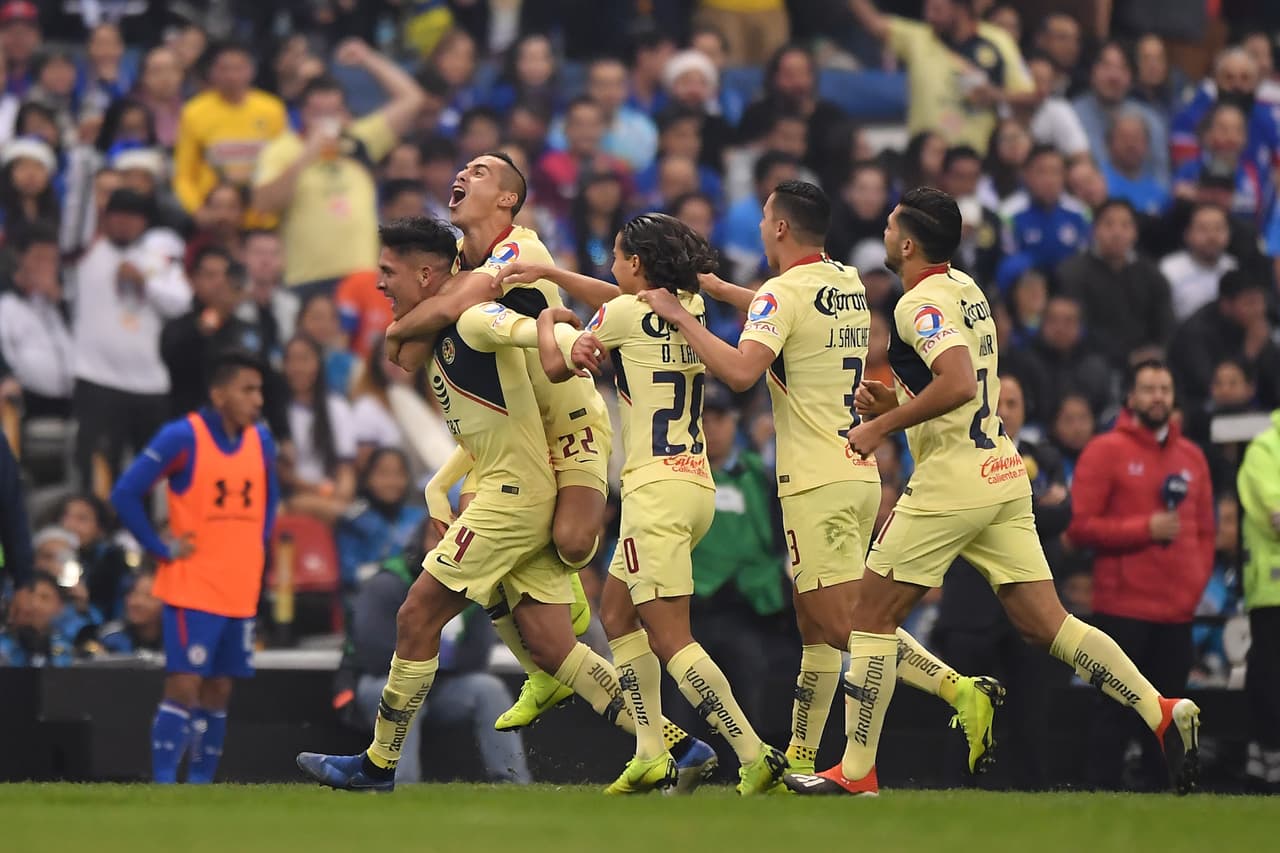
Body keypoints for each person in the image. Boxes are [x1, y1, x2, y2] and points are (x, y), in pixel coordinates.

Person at [784, 187, 1201, 796]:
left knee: (868, 618)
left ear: (906, 242)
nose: (883, 233)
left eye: (891, 226)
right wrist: (898, 400)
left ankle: (856, 771)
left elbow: (954, 383)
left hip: (950, 483)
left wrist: (880, 425)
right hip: (1002, 474)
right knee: (1048, 624)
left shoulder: (915, 304)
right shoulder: (969, 291)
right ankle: (1160, 709)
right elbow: (967, 388)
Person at [297, 216, 709, 794]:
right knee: (549, 645)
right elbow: (420, 373)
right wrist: (436, 488)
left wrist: (572, 340)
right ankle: (678, 744)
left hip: (510, 500)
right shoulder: (441, 324)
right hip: (515, 493)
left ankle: (377, 765)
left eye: (388, 273)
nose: (381, 285)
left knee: (417, 615)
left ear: (425, 272)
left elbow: (514, 326)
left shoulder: (473, 316)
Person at [640, 179, 1003, 778]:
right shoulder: (846, 283)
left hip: (816, 479)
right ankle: (803, 759)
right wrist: (722, 290)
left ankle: (960, 691)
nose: (760, 228)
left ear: (780, 228)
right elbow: (786, 314)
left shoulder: (784, 295)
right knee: (815, 628)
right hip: (855, 470)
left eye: (764, 218)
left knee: (844, 625)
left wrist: (680, 315)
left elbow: (738, 371)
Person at [531, 212, 789, 794]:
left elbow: (555, 362)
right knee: (618, 615)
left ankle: (752, 752)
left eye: (618, 258)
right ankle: (651, 750)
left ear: (637, 264)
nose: (612, 268)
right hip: (693, 482)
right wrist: (552, 271)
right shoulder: (689, 306)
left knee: (671, 635)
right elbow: (620, 300)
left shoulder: (621, 314)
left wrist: (548, 315)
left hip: (654, 493)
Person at [383, 154, 619, 731]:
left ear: (508, 200)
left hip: (570, 419)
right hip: (520, 432)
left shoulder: (523, 249)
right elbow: (412, 351)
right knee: (540, 628)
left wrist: (400, 323)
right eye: (461, 168)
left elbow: (440, 314)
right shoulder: (463, 261)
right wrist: (413, 321)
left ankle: (566, 588)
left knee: (570, 540)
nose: (462, 175)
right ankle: (654, 739)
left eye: (481, 172)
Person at [109, 350, 279, 784]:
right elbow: (125, 493)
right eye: (247, 389)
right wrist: (159, 549)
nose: (257, 399)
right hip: (194, 585)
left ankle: (202, 786)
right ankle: (166, 783)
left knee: (220, 689)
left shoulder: (260, 440)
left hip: (240, 587)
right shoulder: (182, 436)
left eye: (259, 390)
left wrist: (258, 553)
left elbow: (269, 501)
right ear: (219, 393)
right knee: (185, 685)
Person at [1067, 360, 1215, 790]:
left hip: (1176, 613)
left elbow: (1205, 530)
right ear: (1131, 398)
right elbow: (1079, 527)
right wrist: (1143, 529)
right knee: (1112, 714)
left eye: (1165, 389)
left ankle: (1160, 799)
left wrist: (1194, 583)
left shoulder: (1192, 456)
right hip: (1122, 610)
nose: (1157, 397)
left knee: (1171, 716)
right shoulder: (1105, 450)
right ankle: (1101, 796)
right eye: (1149, 389)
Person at [933, 373, 1072, 789]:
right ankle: (956, 791)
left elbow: (1064, 515)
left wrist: (999, 508)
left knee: (1031, 715)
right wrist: (1027, 504)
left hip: (1025, 606)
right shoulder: (958, 452)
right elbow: (962, 516)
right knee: (965, 717)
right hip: (969, 609)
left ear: (1024, 409)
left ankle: (1033, 792)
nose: (1006, 410)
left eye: (1013, 402)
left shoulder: (1043, 457)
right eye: (999, 400)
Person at [345, 519, 531, 784]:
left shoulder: (475, 586)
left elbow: (478, 654)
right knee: (405, 697)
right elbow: (374, 651)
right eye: (438, 536)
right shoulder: (388, 583)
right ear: (419, 542)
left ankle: (513, 782)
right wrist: (436, 664)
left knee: (489, 689)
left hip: (444, 687)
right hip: (384, 683)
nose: (445, 544)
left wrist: (432, 664)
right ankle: (400, 782)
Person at [252, 39, 425, 299]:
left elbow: (413, 99)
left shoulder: (359, 140)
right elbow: (263, 202)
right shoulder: (282, 149)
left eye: (333, 112)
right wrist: (308, 153)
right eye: (318, 112)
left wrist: (367, 58)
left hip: (363, 277)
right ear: (303, 111)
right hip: (306, 279)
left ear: (344, 112)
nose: (326, 120)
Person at [70, 188, 190, 488]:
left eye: (133, 217)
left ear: (144, 222)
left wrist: (145, 282)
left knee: (148, 473)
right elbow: (74, 215)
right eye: (118, 216)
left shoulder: (156, 259)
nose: (125, 223)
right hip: (96, 377)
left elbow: (181, 302)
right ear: (106, 218)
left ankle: (141, 531)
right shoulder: (86, 251)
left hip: (149, 383)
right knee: (96, 468)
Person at [848, 0, 1034, 154]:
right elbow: (873, 22)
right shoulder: (918, 37)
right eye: (927, 9)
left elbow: (1030, 97)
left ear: (960, 8)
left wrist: (994, 95)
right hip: (924, 158)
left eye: (937, 9)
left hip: (975, 159)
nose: (929, 16)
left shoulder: (998, 40)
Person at [172, 41, 286, 229]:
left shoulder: (272, 109)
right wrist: (198, 211)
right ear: (212, 73)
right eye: (224, 69)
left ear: (251, 71)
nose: (231, 76)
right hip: (214, 216)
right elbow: (183, 175)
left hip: (261, 217)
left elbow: (282, 164)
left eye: (238, 68)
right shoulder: (194, 112)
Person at [1055, 199, 1174, 371]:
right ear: (1095, 229)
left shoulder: (1151, 274)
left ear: (1135, 232)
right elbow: (1080, 328)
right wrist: (1126, 356)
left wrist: (1155, 351)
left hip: (1148, 359)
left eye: (1125, 225)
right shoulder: (1073, 273)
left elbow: (1165, 322)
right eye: (1109, 224)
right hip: (1094, 361)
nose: (1117, 232)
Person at [1238, 408, 1280, 791]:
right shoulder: (1265, 450)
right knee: (1270, 676)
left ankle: (1262, 755)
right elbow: (1276, 517)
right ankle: (1268, 754)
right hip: (1272, 591)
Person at [0, 222, 73, 419]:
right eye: (39, 258)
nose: (45, 266)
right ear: (20, 257)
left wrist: (60, 302)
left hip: (72, 397)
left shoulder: (61, 301)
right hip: (27, 398)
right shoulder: (6, 301)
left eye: (51, 260)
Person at [337, 448, 425, 593]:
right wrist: (387, 571)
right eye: (383, 474)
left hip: (415, 599)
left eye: (398, 474)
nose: (391, 482)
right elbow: (348, 574)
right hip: (368, 599)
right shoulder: (355, 520)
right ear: (367, 478)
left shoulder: (419, 518)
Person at [1159, 203, 1237, 322]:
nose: (1212, 236)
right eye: (1203, 229)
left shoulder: (1233, 267)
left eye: (1219, 229)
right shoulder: (1169, 270)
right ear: (1187, 234)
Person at [99, 570, 164, 656]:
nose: (137, 602)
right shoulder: (110, 638)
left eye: (149, 596)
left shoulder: (180, 642)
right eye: (134, 594)